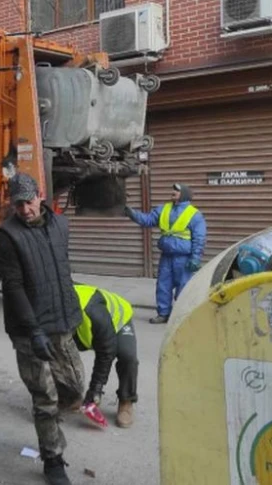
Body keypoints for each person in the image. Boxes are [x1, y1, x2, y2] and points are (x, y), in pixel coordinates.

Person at [0, 172, 85, 485]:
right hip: (28, 330)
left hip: (61, 321)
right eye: (18, 205)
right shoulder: (7, 235)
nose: (25, 210)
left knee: (74, 386)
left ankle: (52, 418)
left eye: (29, 202)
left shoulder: (61, 225)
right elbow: (14, 286)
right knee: (44, 396)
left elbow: (63, 269)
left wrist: (74, 311)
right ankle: (53, 459)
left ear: (40, 196)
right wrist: (33, 331)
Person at [124, 183, 207, 324]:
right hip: (167, 256)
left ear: (184, 194)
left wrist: (196, 258)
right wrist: (131, 213)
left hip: (184, 258)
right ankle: (163, 314)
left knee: (184, 287)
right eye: (173, 190)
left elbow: (199, 238)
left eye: (177, 190)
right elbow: (147, 220)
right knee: (163, 285)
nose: (173, 192)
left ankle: (181, 316)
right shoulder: (164, 209)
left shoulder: (194, 215)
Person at [72, 284, 138, 428]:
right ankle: (70, 396)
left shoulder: (93, 312)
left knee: (128, 357)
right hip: (88, 329)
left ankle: (126, 400)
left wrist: (95, 390)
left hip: (118, 320)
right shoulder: (52, 309)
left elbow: (106, 352)